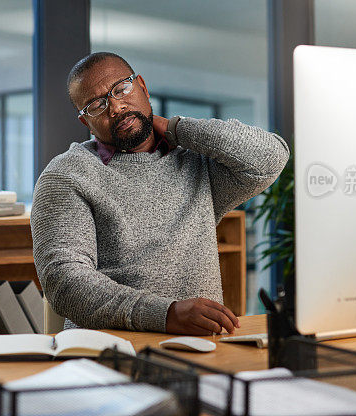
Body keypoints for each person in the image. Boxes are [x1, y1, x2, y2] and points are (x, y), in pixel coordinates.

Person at [30, 52, 289, 335]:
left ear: (142, 86)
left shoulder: (195, 164)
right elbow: (64, 282)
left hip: (202, 349)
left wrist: (175, 128)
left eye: (122, 89)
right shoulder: (66, 174)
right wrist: (166, 314)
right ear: (85, 122)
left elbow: (271, 156)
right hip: (107, 352)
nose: (115, 107)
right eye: (96, 105)